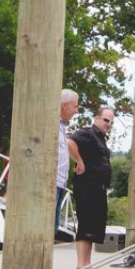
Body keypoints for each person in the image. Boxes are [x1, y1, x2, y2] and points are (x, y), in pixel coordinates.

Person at [70, 105, 116, 269]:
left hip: (98, 189)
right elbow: (69, 142)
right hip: (87, 188)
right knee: (85, 227)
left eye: (111, 122)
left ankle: (87, 266)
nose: (108, 124)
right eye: (105, 120)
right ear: (96, 118)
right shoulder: (87, 133)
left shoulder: (101, 139)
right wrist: (80, 162)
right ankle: (80, 268)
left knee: (93, 229)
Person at [58, 89, 84, 233]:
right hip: (51, 182)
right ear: (63, 105)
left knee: (53, 227)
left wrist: (78, 161)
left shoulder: (62, 125)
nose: (76, 111)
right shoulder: (51, 125)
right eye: (74, 106)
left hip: (60, 182)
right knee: (48, 227)